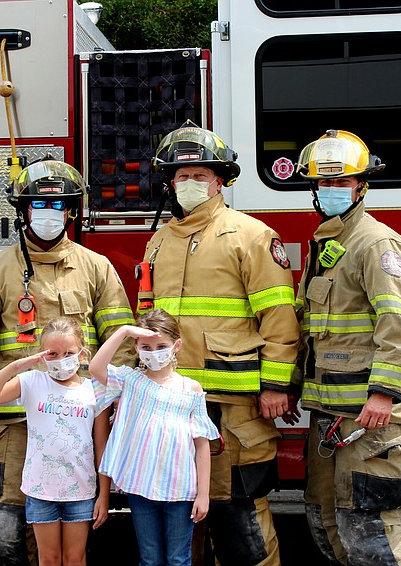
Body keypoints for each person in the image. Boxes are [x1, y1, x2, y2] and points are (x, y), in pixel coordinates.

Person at [0, 159, 136, 566]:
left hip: (78, 426)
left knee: (75, 541)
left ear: (70, 211)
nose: (48, 214)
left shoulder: (96, 268)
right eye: (38, 203)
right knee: (5, 534)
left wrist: (119, 399)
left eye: (57, 205)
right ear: (23, 210)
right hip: (13, 426)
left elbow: (119, 338)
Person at [138, 121, 302, 565]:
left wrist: (276, 386)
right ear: (169, 183)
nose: (190, 183)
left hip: (234, 409)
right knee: (183, 517)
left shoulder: (252, 236)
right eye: (181, 176)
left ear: (220, 179)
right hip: (172, 408)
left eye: (200, 175)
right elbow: (146, 322)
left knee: (241, 521)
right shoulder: (158, 242)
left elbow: (280, 318)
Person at [293, 129, 401, 566]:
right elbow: (312, 328)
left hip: (371, 423)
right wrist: (292, 385)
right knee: (330, 525)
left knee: (375, 536)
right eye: (324, 183)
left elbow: (399, 321)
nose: (331, 190)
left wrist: (384, 393)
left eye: (341, 182)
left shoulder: (375, 243)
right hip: (332, 418)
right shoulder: (328, 242)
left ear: (361, 186)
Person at [88, 308, 220, 566]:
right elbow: (95, 367)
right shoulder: (129, 381)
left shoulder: (190, 389)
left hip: (181, 491)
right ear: (136, 348)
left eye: (161, 346)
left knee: (178, 559)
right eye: (146, 346)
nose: (154, 352)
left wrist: (203, 494)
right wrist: (125, 332)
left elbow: (202, 446)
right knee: (149, 559)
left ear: (176, 346)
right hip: (141, 488)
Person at [0, 317, 111, 566]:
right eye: (53, 353)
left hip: (80, 490)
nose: (61, 359)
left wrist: (104, 494)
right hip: (41, 490)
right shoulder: (32, 382)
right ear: (42, 355)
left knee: (75, 558)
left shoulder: (95, 391)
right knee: (48, 558)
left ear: (82, 353)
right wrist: (17, 366)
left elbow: (101, 446)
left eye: (68, 353)